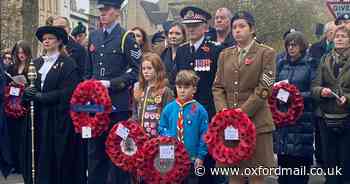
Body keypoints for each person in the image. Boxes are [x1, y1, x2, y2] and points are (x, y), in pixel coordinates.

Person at [212, 11, 276, 184]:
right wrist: (224, 111)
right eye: (234, 27)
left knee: (256, 175)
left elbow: (265, 88)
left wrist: (242, 112)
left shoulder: (266, 53)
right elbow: (217, 87)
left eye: (242, 26)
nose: (237, 31)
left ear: (252, 29)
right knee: (234, 175)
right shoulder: (224, 55)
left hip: (257, 123)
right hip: (230, 125)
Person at [84, 0, 141, 183]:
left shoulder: (126, 37)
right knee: (95, 152)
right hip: (96, 106)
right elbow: (88, 70)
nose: (102, 14)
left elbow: (136, 71)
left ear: (116, 12)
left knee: (118, 152)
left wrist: (111, 83)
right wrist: (87, 91)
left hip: (118, 105)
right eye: (101, 10)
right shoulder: (93, 36)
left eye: (107, 10)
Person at [21, 25, 82, 184]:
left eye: (50, 39)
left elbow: (68, 92)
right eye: (44, 39)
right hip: (37, 118)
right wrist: (27, 94)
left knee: (53, 158)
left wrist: (42, 97)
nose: (46, 41)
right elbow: (29, 86)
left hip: (56, 119)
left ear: (59, 41)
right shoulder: (36, 63)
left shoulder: (68, 64)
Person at [274, 31, 316, 184]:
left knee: (299, 166)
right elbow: (274, 86)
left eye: (294, 45)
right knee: (284, 164)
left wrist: (295, 95)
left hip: (302, 119)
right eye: (288, 45)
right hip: (283, 118)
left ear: (302, 46)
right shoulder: (281, 64)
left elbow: (314, 91)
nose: (291, 48)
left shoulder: (310, 64)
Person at [311, 25, 350, 184]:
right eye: (337, 36)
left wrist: (347, 98)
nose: (339, 38)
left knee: (346, 161)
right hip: (326, 117)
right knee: (330, 162)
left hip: (347, 116)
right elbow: (314, 86)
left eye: (343, 36)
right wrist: (321, 91)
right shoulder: (325, 58)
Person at [158, 70, 208, 184]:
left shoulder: (200, 110)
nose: (182, 90)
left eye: (186, 87)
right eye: (179, 87)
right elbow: (161, 127)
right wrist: (169, 136)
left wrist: (201, 156)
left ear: (194, 89)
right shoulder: (169, 108)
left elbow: (205, 135)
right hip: (171, 158)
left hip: (191, 159)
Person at [5, 40, 32, 174]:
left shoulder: (31, 67)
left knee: (23, 136)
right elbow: (7, 84)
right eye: (19, 52)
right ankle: (14, 162)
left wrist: (24, 86)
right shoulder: (12, 68)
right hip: (13, 103)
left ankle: (22, 164)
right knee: (13, 134)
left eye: (23, 52)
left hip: (25, 104)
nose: (21, 55)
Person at [132, 52, 174, 138]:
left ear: (158, 69)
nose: (146, 72)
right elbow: (135, 113)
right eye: (143, 69)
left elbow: (169, 116)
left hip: (158, 138)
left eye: (149, 68)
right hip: (141, 137)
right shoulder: (138, 89)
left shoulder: (165, 91)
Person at [160, 22, 187, 90]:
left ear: (184, 36)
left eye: (177, 34)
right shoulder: (164, 53)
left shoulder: (188, 53)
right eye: (171, 33)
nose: (173, 36)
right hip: (165, 92)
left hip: (182, 90)